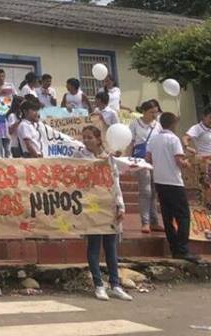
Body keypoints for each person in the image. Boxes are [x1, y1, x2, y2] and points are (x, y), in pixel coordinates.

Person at [79, 125, 133, 301]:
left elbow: (115, 182)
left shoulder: (108, 159)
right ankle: (98, 284)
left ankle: (115, 284)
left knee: (110, 247)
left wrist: (121, 205)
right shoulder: (79, 158)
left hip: (109, 205)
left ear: (98, 139)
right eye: (84, 137)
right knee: (94, 246)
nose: (86, 140)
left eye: (89, 137)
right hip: (91, 207)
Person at [147, 111, 200, 263]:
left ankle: (173, 247)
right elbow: (179, 160)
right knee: (183, 216)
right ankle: (182, 249)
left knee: (167, 215)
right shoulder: (173, 139)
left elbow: (148, 158)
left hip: (159, 180)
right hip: (174, 182)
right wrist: (187, 163)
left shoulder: (154, 139)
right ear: (173, 124)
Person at [130, 100, 162, 233]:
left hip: (155, 160)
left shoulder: (158, 126)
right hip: (141, 159)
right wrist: (130, 159)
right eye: (151, 112)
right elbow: (130, 142)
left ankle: (154, 221)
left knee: (154, 191)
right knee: (146, 190)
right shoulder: (135, 124)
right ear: (144, 112)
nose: (154, 115)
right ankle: (145, 222)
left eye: (156, 112)